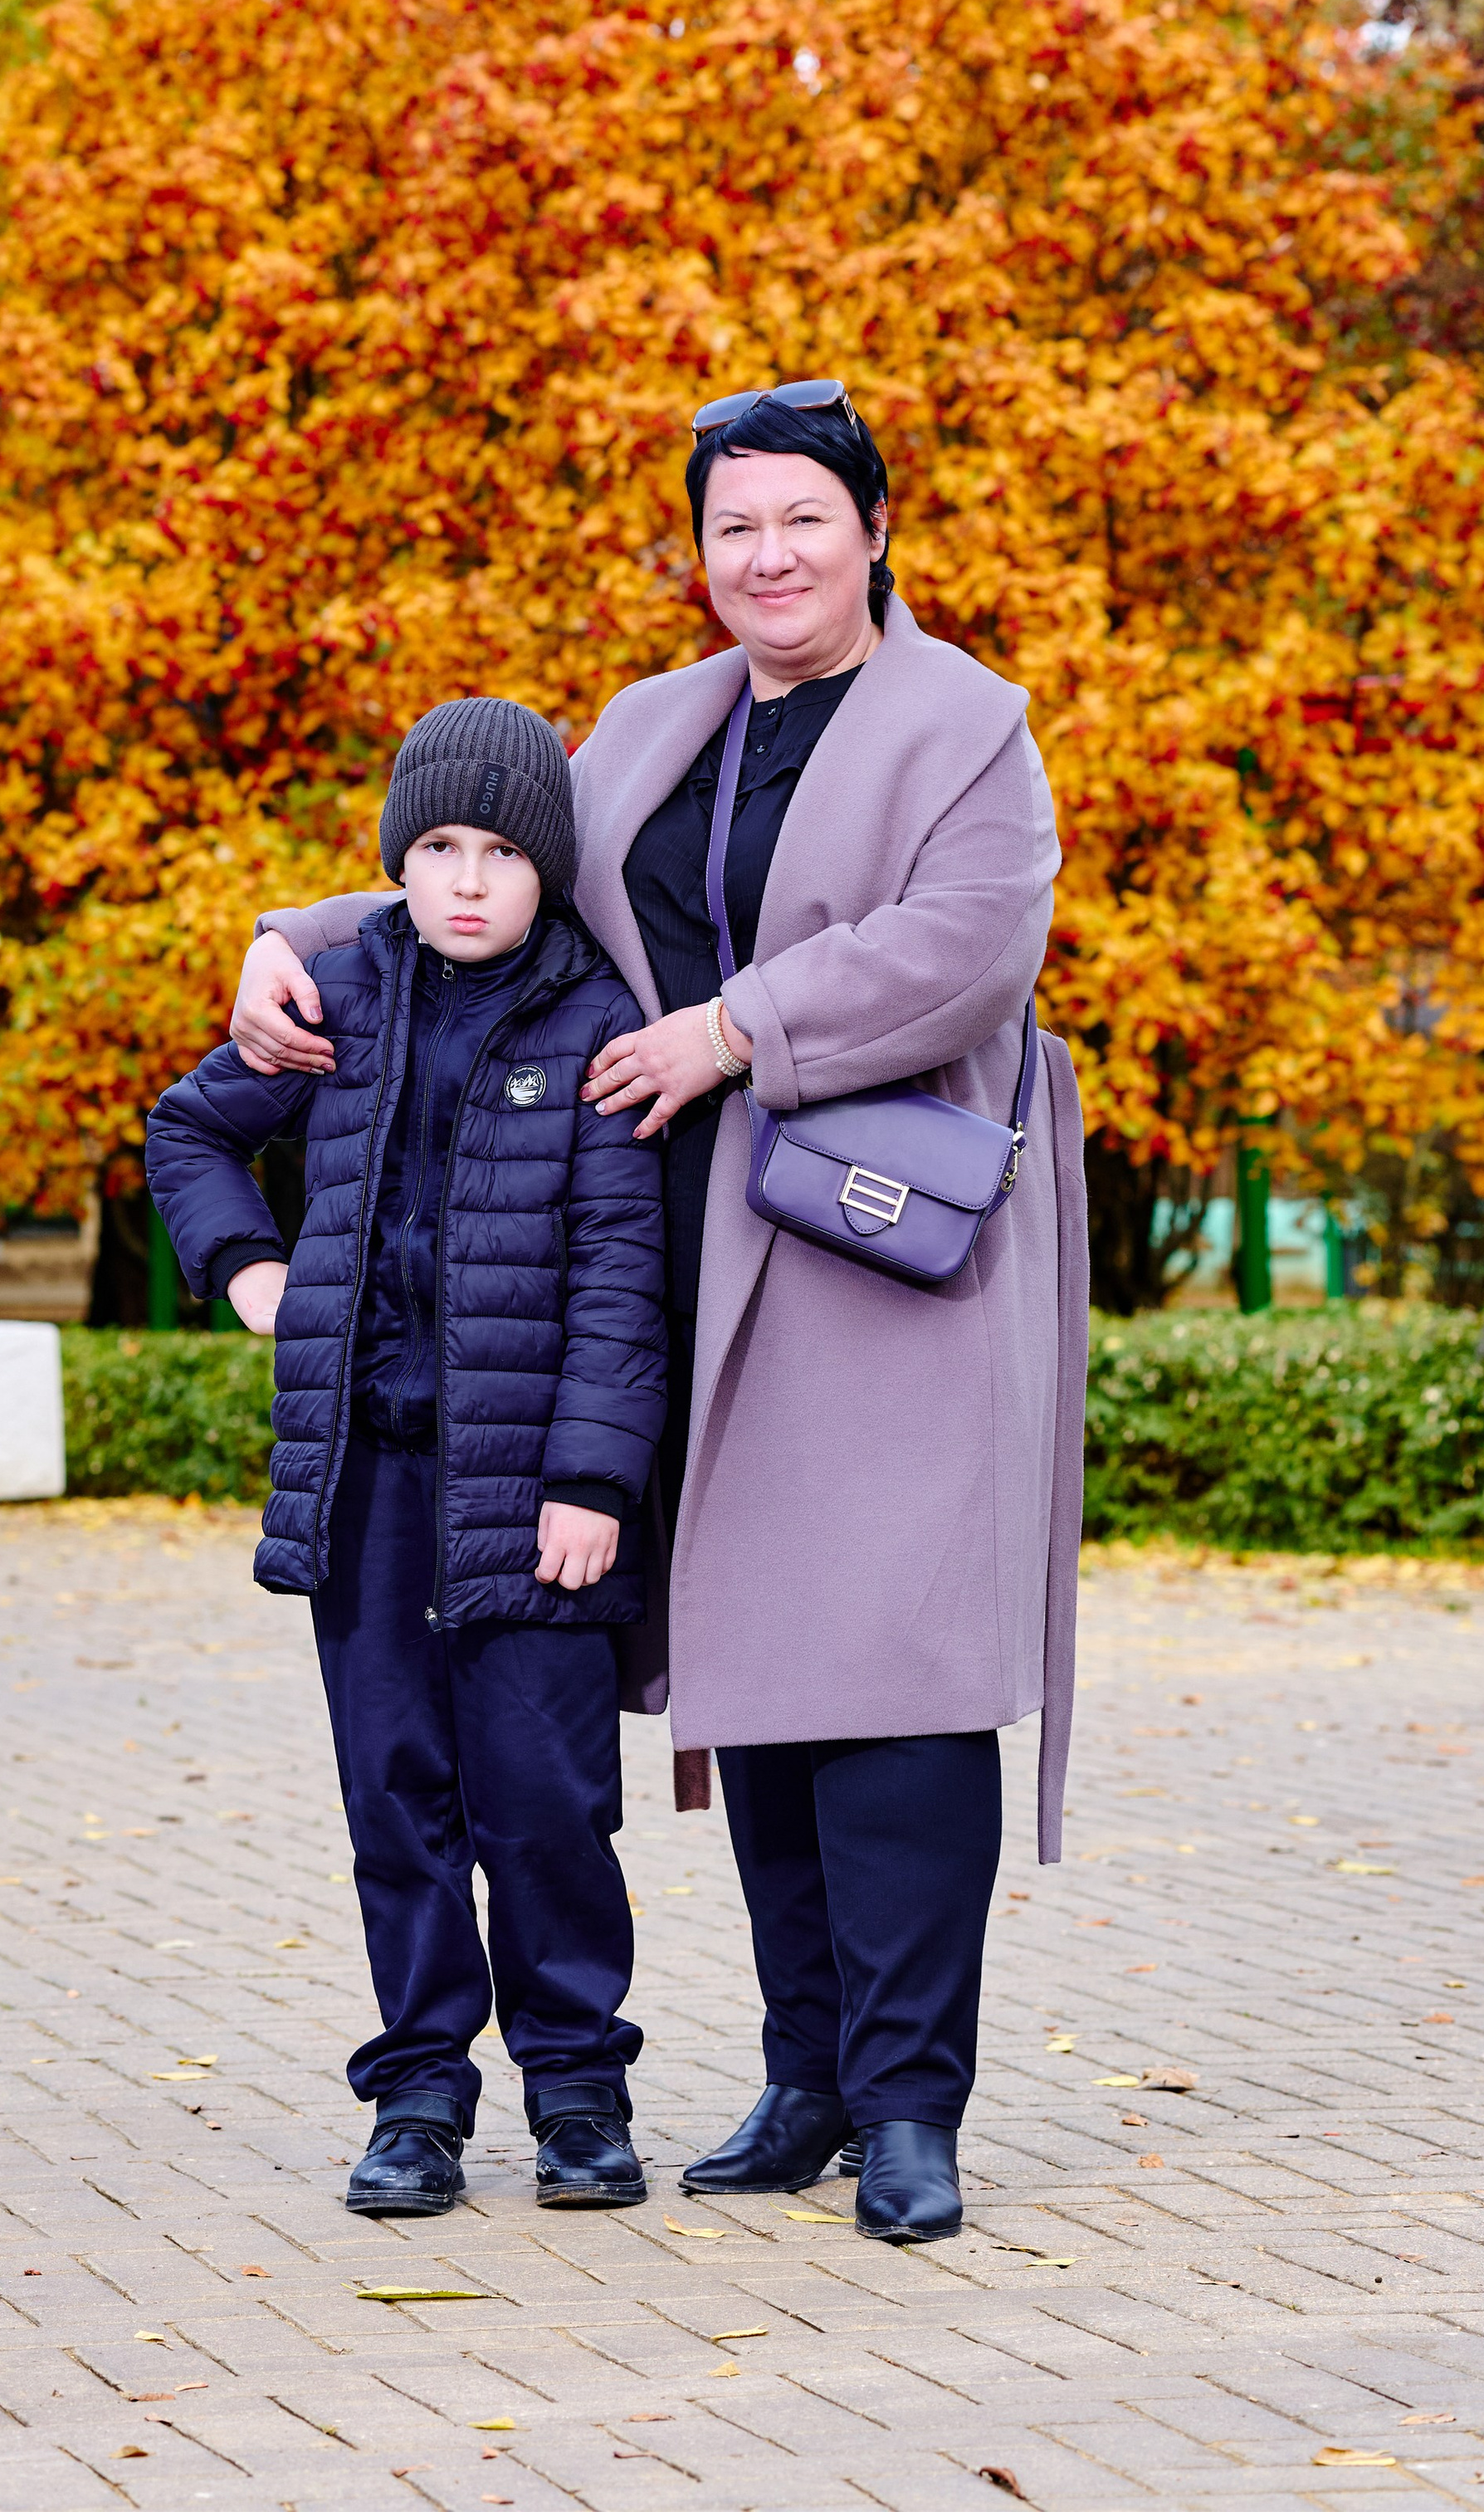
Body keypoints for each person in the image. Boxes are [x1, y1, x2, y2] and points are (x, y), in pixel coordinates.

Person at [227, 383, 1090, 2246]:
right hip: (699, 1262)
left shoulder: (966, 728)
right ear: (695, 556)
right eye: (731, 529)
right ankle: (806, 2074)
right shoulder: (647, 729)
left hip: (886, 1261)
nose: (765, 556)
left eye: (800, 519)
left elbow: (965, 950)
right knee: (764, 1676)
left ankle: (913, 2101)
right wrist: (282, 937)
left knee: (902, 1683)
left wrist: (726, 1030)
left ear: (871, 530)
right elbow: (484, 883)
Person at [143, 697, 667, 2220]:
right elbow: (188, 1132)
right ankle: (420, 2095)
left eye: (501, 853)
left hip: (529, 1496)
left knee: (548, 1800)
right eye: (437, 847)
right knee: (398, 1794)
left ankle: (578, 2087)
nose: (465, 880)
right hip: (367, 1483)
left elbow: (621, 1279)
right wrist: (252, 1269)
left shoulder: (593, 1027)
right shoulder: (344, 998)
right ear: (396, 861)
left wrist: (592, 1479)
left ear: (544, 874)